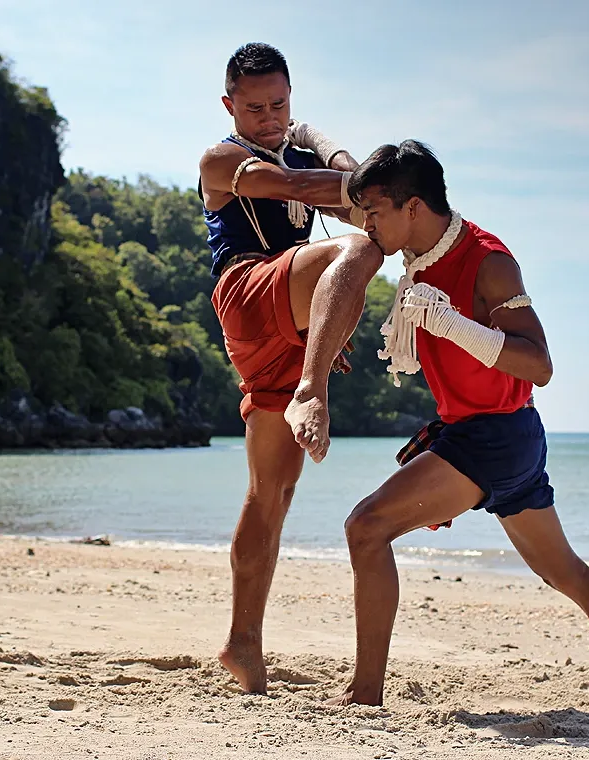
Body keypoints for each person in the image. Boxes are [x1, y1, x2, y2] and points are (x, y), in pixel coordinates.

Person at [330, 139, 589, 711]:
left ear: (412, 207)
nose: (365, 224)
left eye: (373, 211)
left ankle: (365, 695)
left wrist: (454, 325)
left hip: (495, 438)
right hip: (487, 435)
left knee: (365, 528)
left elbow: (539, 365)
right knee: (565, 572)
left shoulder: (488, 261)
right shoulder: (416, 257)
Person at [197, 42, 389, 694]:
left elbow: (361, 185)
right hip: (248, 292)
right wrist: (344, 179)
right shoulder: (221, 158)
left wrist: (326, 144)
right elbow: (304, 190)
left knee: (272, 492)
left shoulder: (300, 142)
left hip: (292, 321)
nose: (270, 117)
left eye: (281, 105)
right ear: (230, 105)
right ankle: (314, 387)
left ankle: (243, 645)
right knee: (360, 249)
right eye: (255, 108)